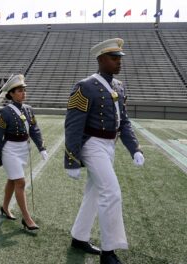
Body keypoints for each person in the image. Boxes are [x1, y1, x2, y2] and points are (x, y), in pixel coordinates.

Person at [64, 38, 145, 264]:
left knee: (95, 193)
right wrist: (71, 160)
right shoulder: (85, 86)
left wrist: (134, 148)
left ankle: (79, 237)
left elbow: (124, 122)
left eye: (120, 58)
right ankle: (108, 252)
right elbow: (73, 126)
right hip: (92, 144)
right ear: (100, 60)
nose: (119, 62)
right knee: (112, 192)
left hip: (110, 145)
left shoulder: (119, 86)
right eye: (114, 58)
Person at [0, 74, 48, 230]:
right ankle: (27, 219)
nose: (23, 93)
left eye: (24, 90)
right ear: (11, 94)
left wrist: (42, 147)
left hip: (23, 149)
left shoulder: (28, 109)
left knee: (12, 180)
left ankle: (5, 207)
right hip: (9, 150)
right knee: (20, 182)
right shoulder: (4, 112)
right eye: (19, 91)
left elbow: (34, 130)